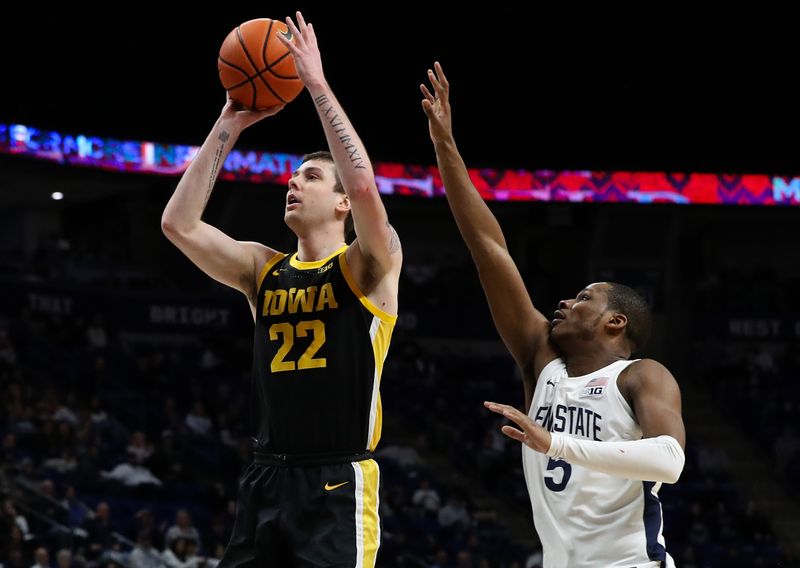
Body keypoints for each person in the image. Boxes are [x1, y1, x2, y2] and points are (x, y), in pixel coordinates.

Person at [420, 62, 686, 568]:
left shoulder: (640, 376)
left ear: (616, 322)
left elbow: (669, 461)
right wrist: (445, 148)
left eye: (584, 298)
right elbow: (488, 248)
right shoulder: (543, 360)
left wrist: (556, 442)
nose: (565, 302)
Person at [161, 12, 401, 566]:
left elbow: (364, 182)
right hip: (266, 476)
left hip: (339, 479)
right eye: (293, 175)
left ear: (343, 204)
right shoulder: (261, 270)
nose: (293, 181)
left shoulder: (369, 265)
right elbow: (179, 225)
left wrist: (316, 84)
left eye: (310, 177)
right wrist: (230, 121)